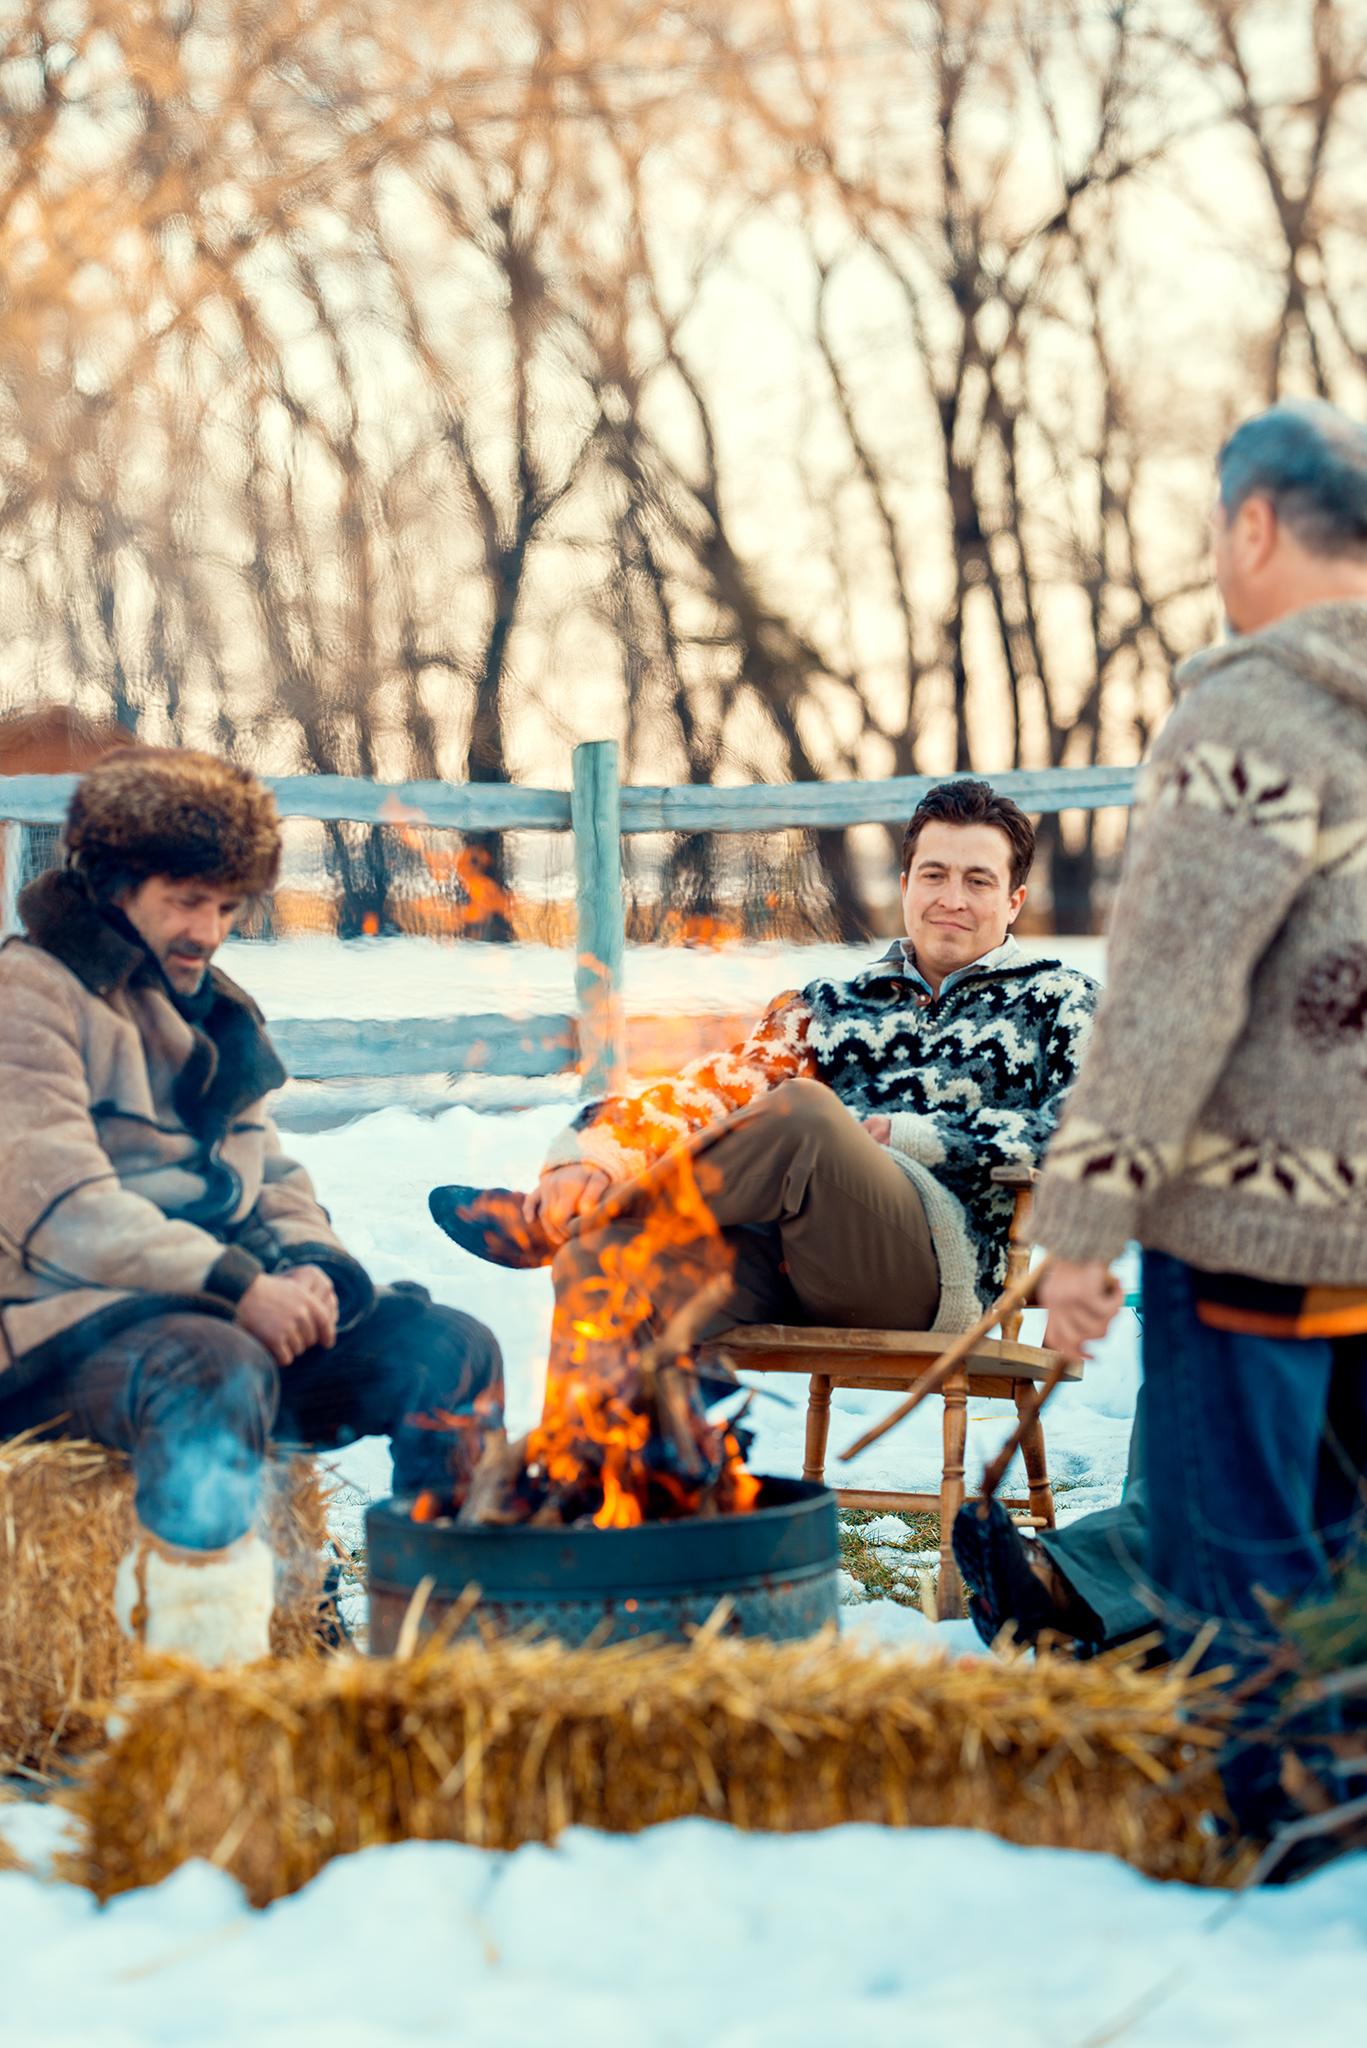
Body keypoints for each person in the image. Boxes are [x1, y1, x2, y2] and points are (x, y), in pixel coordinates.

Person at [1026, 399, 1367, 1833]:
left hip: (1251, 1228)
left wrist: (1078, 1228)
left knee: (1238, 1553)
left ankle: (1279, 1817)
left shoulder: (1245, 717)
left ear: (1249, 525)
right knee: (1345, 1555)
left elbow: (1167, 1002)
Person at [0, 747, 503, 1667]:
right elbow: (61, 1207)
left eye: (228, 906)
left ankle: (438, 1665)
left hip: (219, 1311)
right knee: (215, 1365)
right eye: (188, 900)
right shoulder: (27, 992)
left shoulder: (218, 1010)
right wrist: (237, 1287)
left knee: (449, 1348)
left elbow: (268, 1173)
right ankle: (210, 1704)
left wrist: (315, 1269)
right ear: (115, 883)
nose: (210, 930)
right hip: (55, 1335)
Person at [431, 778, 1097, 1402]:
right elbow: (714, 1095)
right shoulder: (832, 1003)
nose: (951, 897)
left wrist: (916, 1137)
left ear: (1013, 900)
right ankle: (580, 1499)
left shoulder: (1059, 1001)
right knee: (600, 1256)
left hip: (934, 1273)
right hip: (786, 1267)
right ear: (903, 885)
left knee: (806, 1114)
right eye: (934, 874)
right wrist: (591, 1153)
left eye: (977, 880)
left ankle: (563, 1220)